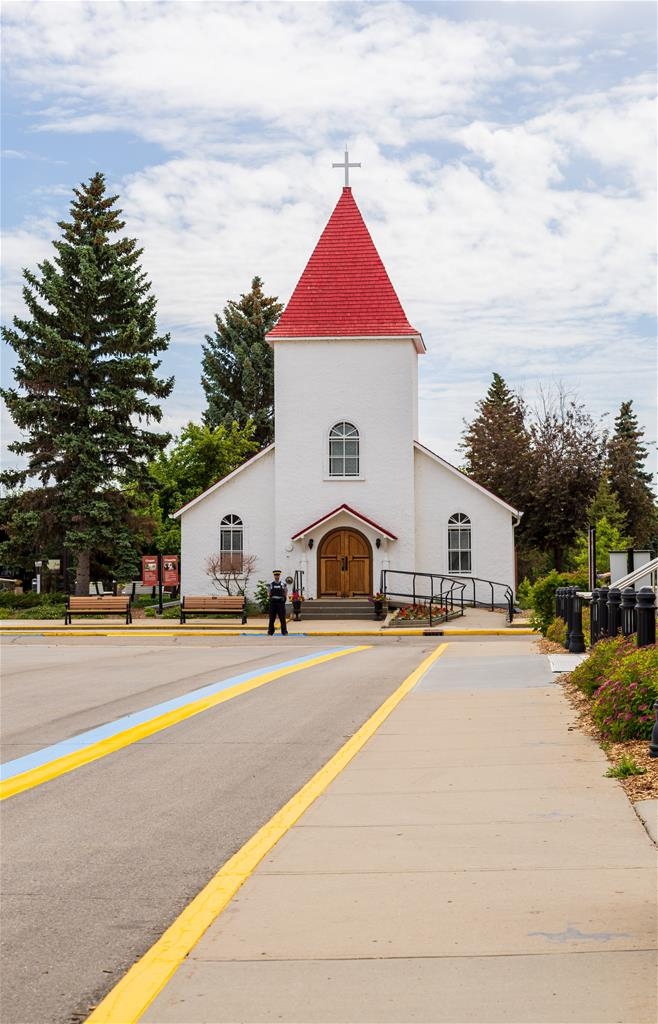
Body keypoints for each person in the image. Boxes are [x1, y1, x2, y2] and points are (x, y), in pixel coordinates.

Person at [267, 570, 288, 635]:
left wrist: (283, 599)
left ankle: (284, 632)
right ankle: (270, 632)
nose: (277, 577)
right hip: (273, 603)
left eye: (278, 575)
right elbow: (268, 593)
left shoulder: (283, 584)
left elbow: (285, 592)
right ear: (274, 576)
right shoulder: (271, 585)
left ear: (279, 576)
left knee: (282, 618)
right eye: (275, 575)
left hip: (280, 603)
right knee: (272, 618)